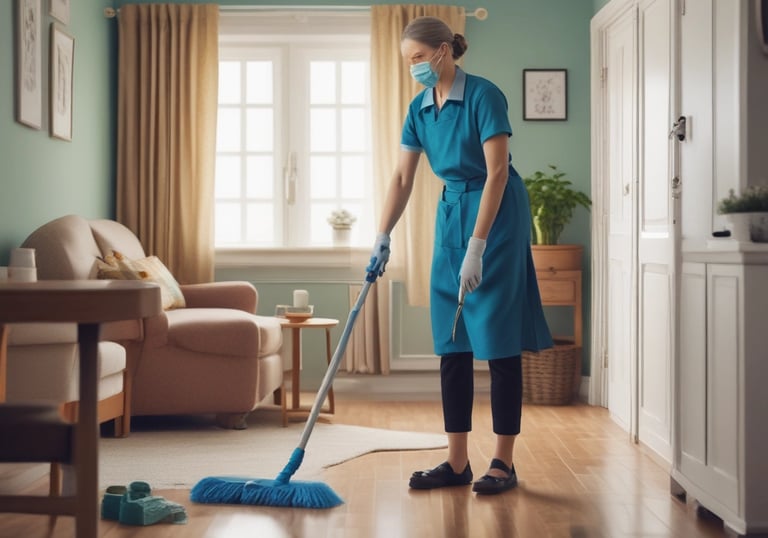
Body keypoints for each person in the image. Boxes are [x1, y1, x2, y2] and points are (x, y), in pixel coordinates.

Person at [367, 16, 553, 495]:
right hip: (451, 212)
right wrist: (382, 234)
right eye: (407, 61)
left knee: (497, 336)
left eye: (416, 59)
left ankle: (503, 463)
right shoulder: (419, 109)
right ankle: (456, 462)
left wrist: (478, 245)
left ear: (443, 51)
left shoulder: (484, 96)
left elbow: (495, 173)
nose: (413, 68)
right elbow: (403, 179)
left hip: (497, 217)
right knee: (452, 341)